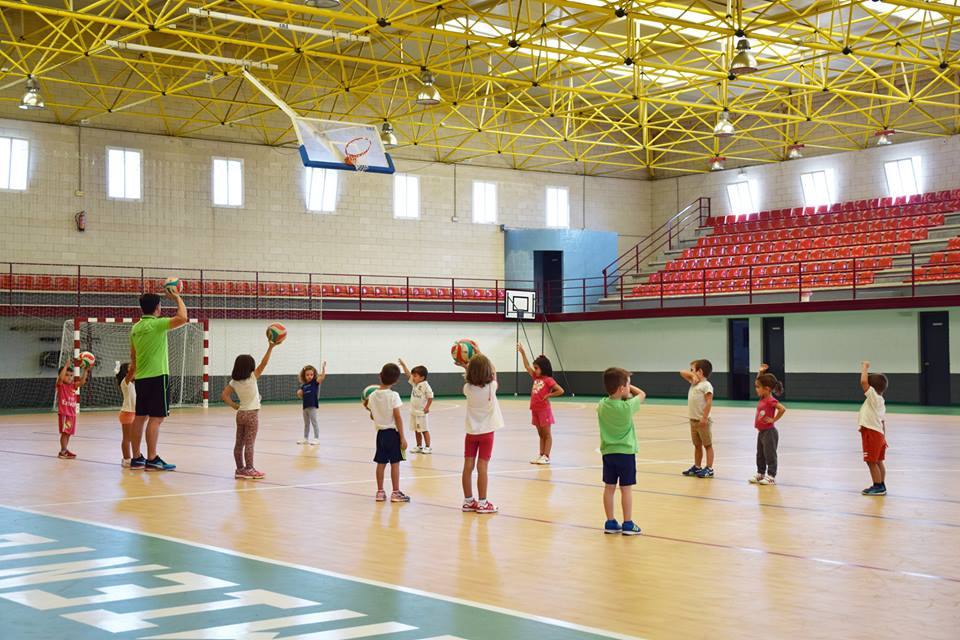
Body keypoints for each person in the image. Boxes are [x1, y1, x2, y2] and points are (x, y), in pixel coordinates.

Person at [129, 288, 188, 471]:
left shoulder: (136, 328)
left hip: (142, 378)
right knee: (156, 418)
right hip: (158, 377)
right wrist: (177, 296)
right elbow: (183, 318)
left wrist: (132, 374)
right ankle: (152, 459)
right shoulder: (157, 324)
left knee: (140, 417)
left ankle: (137, 457)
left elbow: (133, 356)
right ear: (158, 308)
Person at [221, 336, 282, 480]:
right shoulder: (252, 377)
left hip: (241, 414)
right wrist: (270, 347)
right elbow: (264, 363)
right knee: (249, 443)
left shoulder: (234, 381)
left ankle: (239, 469)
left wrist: (235, 405)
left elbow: (224, 395)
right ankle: (249, 469)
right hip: (251, 415)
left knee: (239, 443)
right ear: (250, 367)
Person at [597, 367, 646, 535]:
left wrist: (623, 386)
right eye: (628, 384)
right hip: (625, 454)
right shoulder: (627, 407)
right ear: (622, 388)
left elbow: (615, 395)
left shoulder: (602, 405)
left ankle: (610, 522)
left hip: (608, 453)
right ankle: (627, 523)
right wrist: (630, 388)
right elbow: (642, 394)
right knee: (626, 489)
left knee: (609, 487)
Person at [461, 354, 503, 514]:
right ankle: (483, 502)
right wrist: (479, 354)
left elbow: (472, 377)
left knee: (468, 466)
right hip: (486, 433)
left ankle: (468, 501)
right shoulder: (491, 387)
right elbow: (493, 371)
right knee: (482, 466)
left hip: (471, 433)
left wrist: (468, 366)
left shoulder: (467, 389)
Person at [366, 363, 410, 502]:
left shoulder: (372, 396)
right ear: (396, 381)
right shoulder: (393, 395)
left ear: (380, 375)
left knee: (381, 463)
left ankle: (380, 492)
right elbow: (397, 417)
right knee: (395, 463)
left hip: (380, 435)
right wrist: (402, 437)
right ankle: (395, 493)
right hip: (392, 434)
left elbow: (372, 415)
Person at [517, 344, 564, 465]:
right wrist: (522, 352)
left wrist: (549, 395)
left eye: (536, 368)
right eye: (535, 368)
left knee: (547, 434)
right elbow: (527, 366)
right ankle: (541, 454)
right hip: (535, 410)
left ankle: (546, 456)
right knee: (540, 434)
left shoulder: (548, 380)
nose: (534, 370)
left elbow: (560, 390)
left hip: (544, 410)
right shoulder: (535, 377)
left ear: (543, 368)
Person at [749, 364, 786, 485]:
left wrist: (774, 419)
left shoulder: (770, 400)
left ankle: (771, 476)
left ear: (767, 389)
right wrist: (760, 373)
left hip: (769, 432)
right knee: (760, 454)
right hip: (761, 432)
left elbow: (782, 409)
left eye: (758, 387)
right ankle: (760, 473)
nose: (756, 389)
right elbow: (758, 381)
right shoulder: (762, 397)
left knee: (770, 455)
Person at [858, 361, 889, 496]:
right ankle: (881, 484)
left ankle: (877, 486)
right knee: (878, 461)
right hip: (878, 434)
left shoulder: (873, 397)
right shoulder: (880, 400)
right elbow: (882, 422)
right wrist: (883, 437)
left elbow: (863, 382)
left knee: (871, 461)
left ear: (872, 387)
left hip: (872, 433)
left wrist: (864, 367)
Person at [680, 359, 715, 478]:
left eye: (692, 370)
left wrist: (704, 418)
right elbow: (681, 372)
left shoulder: (706, 385)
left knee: (707, 445)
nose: (690, 372)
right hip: (693, 420)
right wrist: (692, 375)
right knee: (697, 445)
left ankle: (709, 468)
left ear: (700, 371)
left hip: (702, 421)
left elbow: (709, 402)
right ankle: (697, 466)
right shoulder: (694, 382)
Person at [399, 359, 434, 454]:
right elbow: (407, 374)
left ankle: (428, 447)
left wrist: (427, 407)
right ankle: (419, 446)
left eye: (415, 376)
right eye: (413, 375)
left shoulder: (426, 386)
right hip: (413, 412)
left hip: (421, 412)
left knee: (424, 430)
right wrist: (403, 365)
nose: (413, 377)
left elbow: (430, 397)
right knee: (416, 430)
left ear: (422, 377)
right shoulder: (415, 383)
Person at [55, 360, 89, 459]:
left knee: (68, 433)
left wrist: (86, 370)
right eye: (67, 375)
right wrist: (66, 366)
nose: (70, 377)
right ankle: (62, 451)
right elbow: (60, 378)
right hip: (64, 413)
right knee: (65, 433)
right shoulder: (61, 385)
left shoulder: (73, 385)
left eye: (71, 375)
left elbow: (82, 381)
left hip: (71, 414)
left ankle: (65, 449)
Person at [296, 362, 326, 445]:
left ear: (314, 375)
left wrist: (323, 368)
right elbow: (302, 396)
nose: (309, 376)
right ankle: (305, 438)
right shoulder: (303, 385)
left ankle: (316, 438)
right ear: (304, 376)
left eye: (311, 374)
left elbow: (322, 377)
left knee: (314, 422)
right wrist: (299, 394)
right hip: (305, 407)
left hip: (312, 406)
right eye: (307, 375)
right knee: (306, 424)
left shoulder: (314, 383)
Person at [116, 361, 137, 467]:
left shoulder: (132, 384)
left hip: (132, 413)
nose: (133, 369)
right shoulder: (125, 381)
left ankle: (131, 458)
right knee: (127, 438)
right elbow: (133, 370)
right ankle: (126, 459)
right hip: (127, 413)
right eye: (129, 368)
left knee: (132, 438)